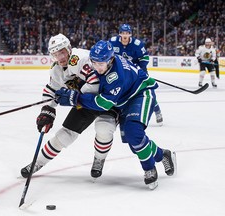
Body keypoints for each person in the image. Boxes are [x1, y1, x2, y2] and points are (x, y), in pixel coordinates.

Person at [55, 40, 176, 189]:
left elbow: (103, 104)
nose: (97, 67)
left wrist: (76, 98)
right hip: (122, 101)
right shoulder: (104, 61)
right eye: (94, 63)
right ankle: (162, 154)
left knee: (134, 134)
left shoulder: (115, 76)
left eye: (101, 64)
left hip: (139, 94)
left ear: (110, 60)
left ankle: (149, 168)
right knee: (135, 143)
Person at [20, 34, 118, 179]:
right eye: (55, 54)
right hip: (85, 102)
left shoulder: (80, 59)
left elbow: (95, 84)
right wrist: (48, 110)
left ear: (69, 49)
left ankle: (99, 159)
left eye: (62, 52)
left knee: (104, 129)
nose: (60, 57)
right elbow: (50, 90)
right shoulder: (56, 70)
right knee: (64, 135)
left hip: (106, 99)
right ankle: (38, 162)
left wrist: (73, 96)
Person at [109, 24, 163, 125]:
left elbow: (145, 58)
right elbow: (108, 56)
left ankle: (157, 111)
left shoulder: (137, 44)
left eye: (127, 33)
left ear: (130, 34)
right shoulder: (112, 42)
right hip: (121, 72)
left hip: (138, 71)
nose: (125, 35)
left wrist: (137, 70)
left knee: (146, 91)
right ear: (119, 34)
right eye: (123, 33)